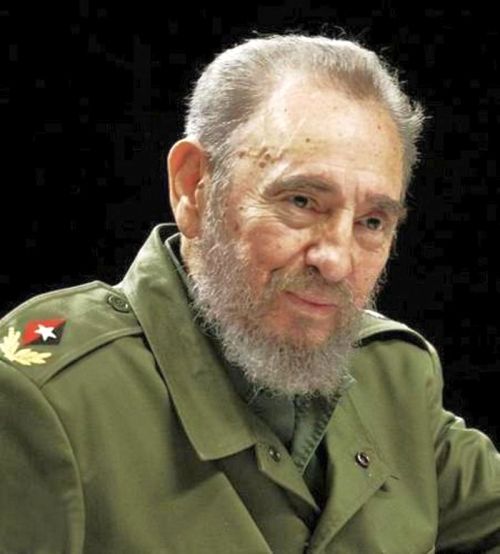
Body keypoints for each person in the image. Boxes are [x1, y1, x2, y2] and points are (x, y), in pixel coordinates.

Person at [1, 33, 499, 554]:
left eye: (372, 221)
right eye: (301, 201)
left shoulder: (395, 375)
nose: (337, 260)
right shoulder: (43, 401)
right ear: (193, 188)